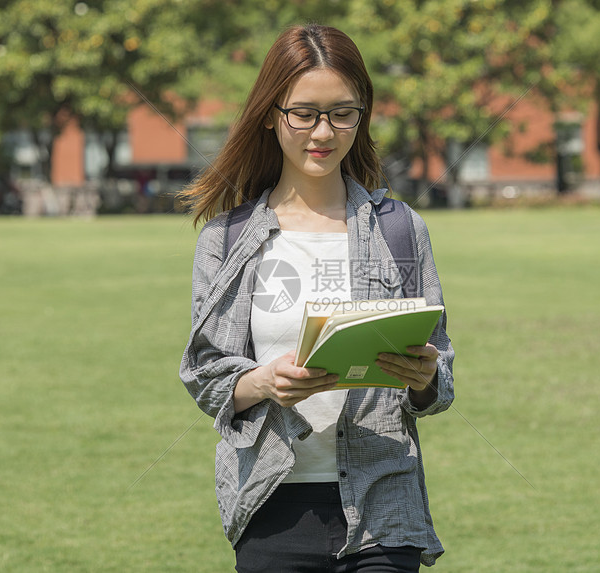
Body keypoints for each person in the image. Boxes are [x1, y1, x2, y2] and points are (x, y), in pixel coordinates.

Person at [178, 24, 454, 572]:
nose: (323, 132)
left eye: (342, 112)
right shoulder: (227, 240)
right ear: (270, 113)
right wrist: (262, 382)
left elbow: (440, 378)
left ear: (362, 114)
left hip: (384, 506)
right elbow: (204, 374)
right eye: (304, 113)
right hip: (271, 504)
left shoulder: (401, 229)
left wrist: (424, 377)